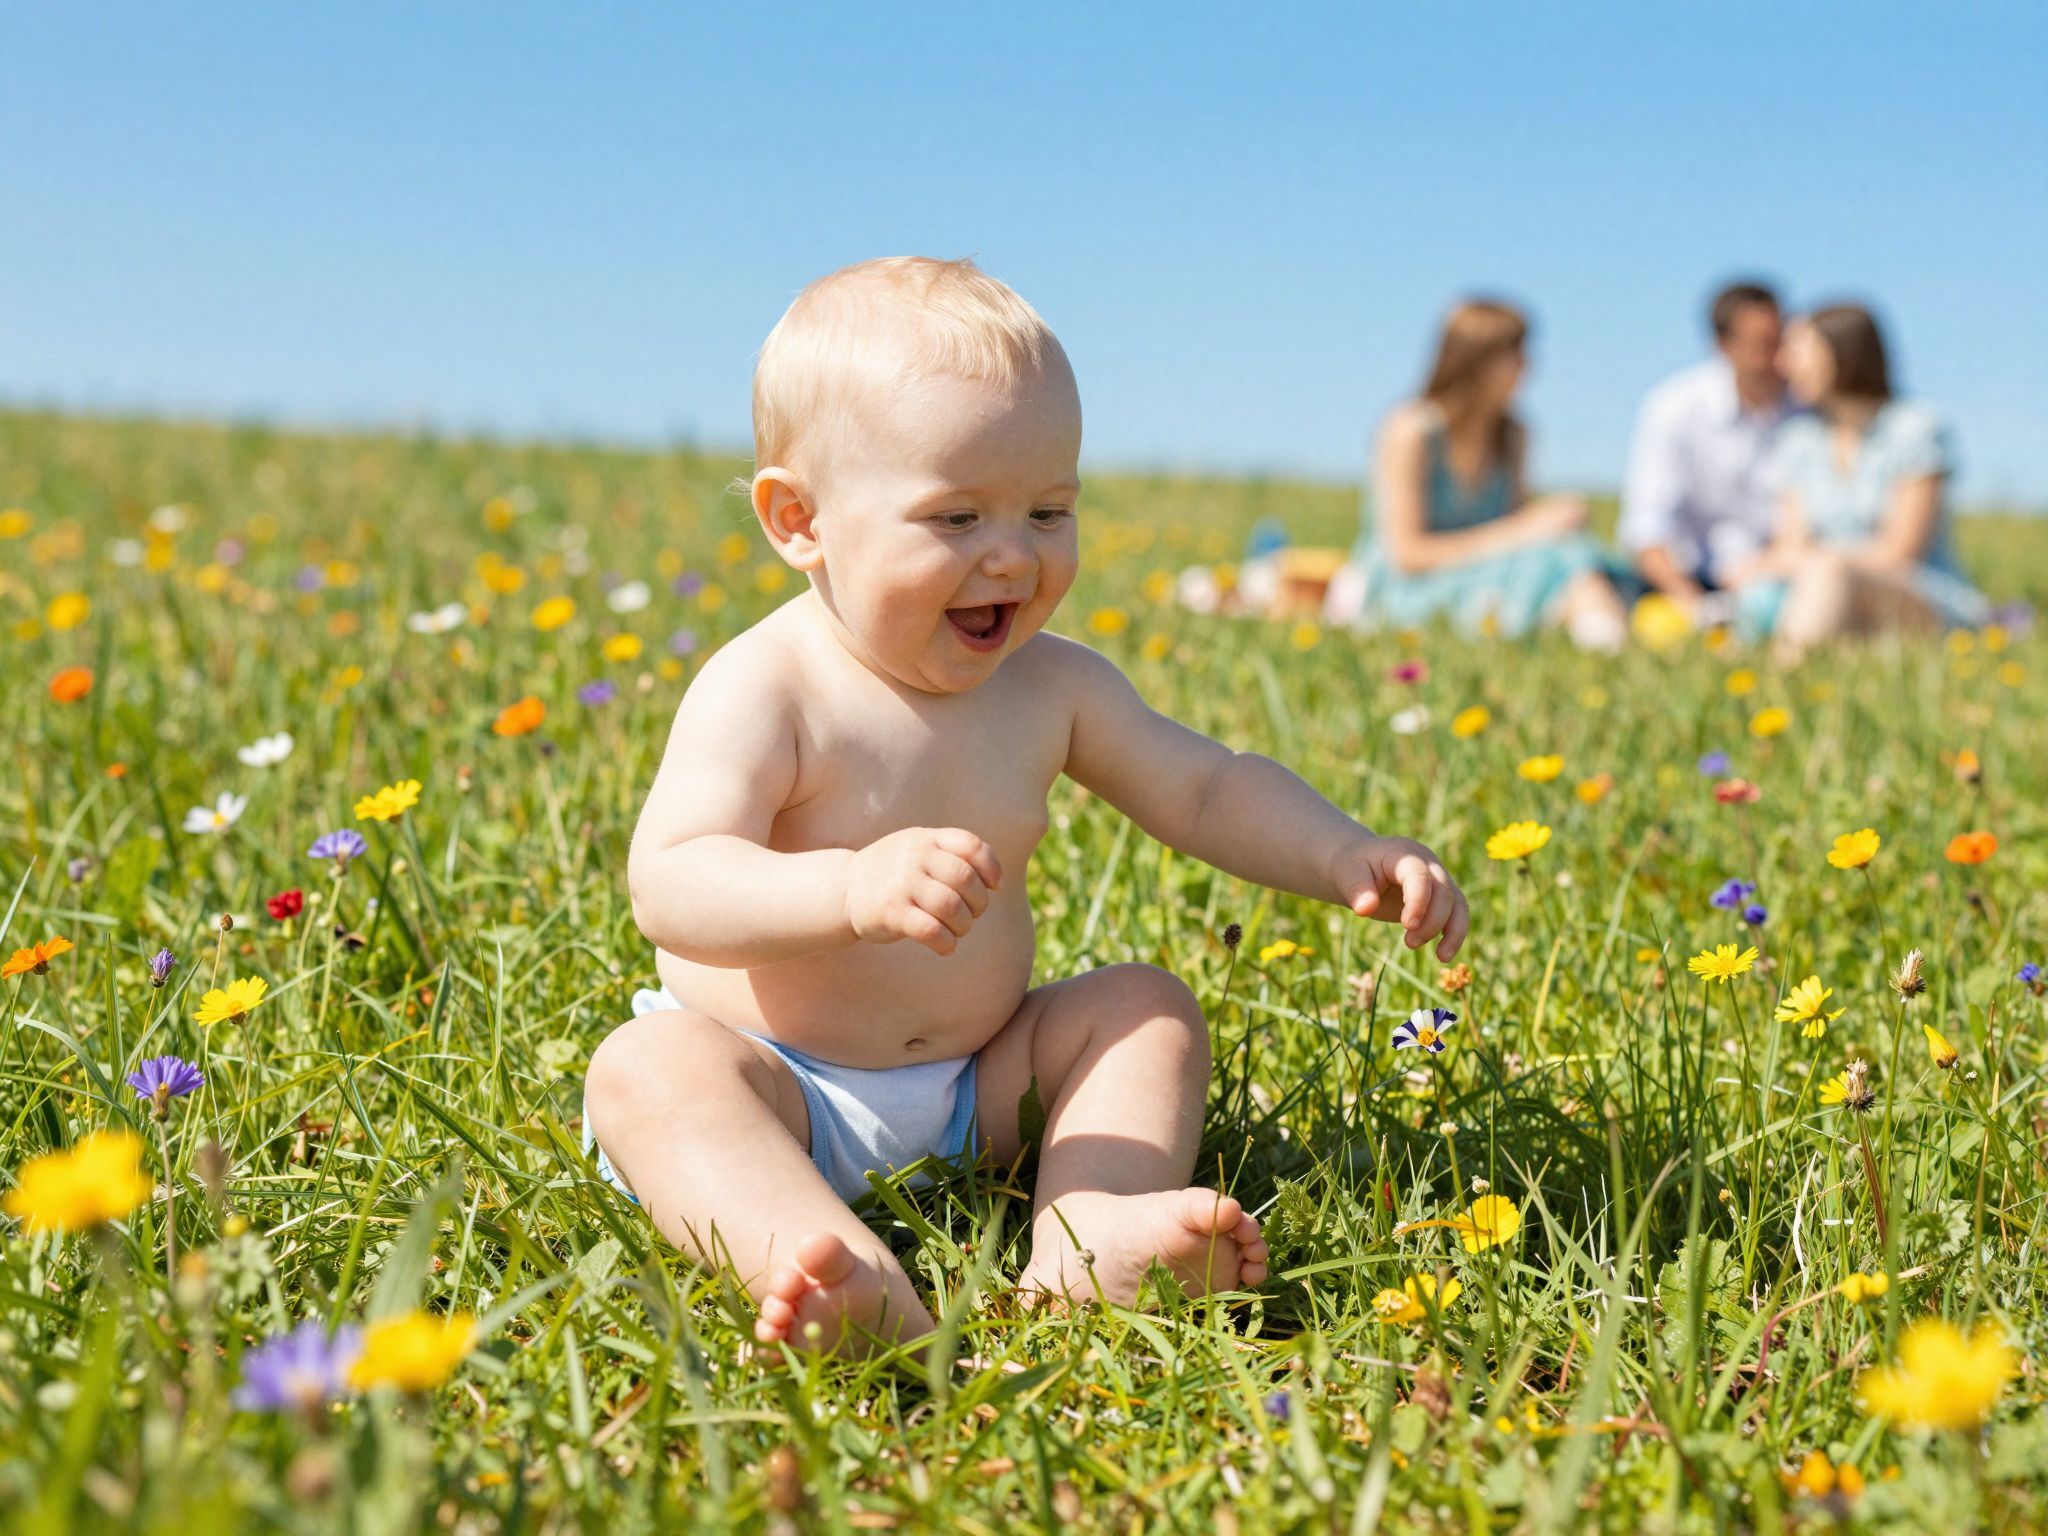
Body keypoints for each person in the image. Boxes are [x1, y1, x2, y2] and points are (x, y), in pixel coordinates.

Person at [581, 257, 1469, 1353]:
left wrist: (1341, 850)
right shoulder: (768, 687)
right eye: (954, 517)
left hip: (980, 1082)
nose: (1012, 555)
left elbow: (1201, 784)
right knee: (647, 1076)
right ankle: (823, 1262)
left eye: (1048, 510)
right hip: (780, 1084)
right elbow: (672, 879)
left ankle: (1084, 1228)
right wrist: (846, 887)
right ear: (798, 520)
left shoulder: (1052, 687)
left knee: (1143, 1007)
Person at [1334, 299, 1627, 648]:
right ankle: (1606, 643)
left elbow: (1519, 541)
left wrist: (1540, 527)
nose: (1528, 367)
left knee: (1573, 552)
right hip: (1409, 590)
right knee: (1563, 558)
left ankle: (1604, 638)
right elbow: (1407, 555)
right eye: (1515, 355)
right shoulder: (1411, 430)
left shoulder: (1513, 434)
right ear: (1476, 360)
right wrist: (1528, 528)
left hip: (1490, 578)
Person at [1735, 302, 1989, 655]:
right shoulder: (1798, 441)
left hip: (1917, 595)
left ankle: (1783, 683)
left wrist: (1813, 562)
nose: (1784, 364)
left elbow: (1900, 551)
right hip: (1818, 593)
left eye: (1798, 349)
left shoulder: (1915, 429)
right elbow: (1789, 543)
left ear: (1842, 351)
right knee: (1768, 591)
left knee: (1828, 572)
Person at [1619, 280, 1793, 617]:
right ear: (1723, 346)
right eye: (1764, 345)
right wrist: (1697, 606)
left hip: (1774, 581)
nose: (1778, 358)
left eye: (1781, 342)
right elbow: (1647, 528)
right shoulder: (1675, 407)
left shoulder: (1806, 413)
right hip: (1689, 580)